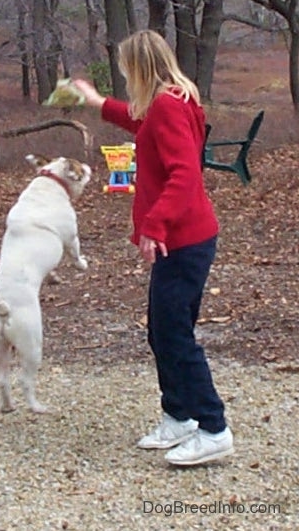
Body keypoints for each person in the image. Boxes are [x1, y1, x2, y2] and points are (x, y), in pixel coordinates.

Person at [73, 29, 233, 466]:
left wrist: (155, 225)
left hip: (184, 240)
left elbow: (185, 174)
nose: (124, 76)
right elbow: (137, 120)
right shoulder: (171, 101)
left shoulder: (166, 105)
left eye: (126, 68)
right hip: (187, 238)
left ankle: (213, 427)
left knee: (173, 335)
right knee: (162, 331)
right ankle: (178, 416)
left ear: (139, 68)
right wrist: (97, 102)